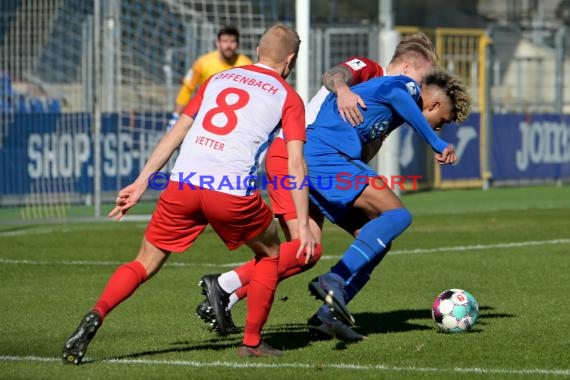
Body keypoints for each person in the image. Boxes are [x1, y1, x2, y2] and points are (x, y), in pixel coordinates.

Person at [61, 23, 316, 363]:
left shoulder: (217, 79)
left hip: (182, 183)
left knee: (143, 263)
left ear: (256, 50)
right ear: (291, 59)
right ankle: (253, 342)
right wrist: (301, 224)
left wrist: (141, 182)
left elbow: (176, 133)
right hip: (229, 191)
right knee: (270, 254)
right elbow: (295, 163)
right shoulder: (288, 96)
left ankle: (97, 313)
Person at [196, 35, 468, 339]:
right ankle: (228, 287)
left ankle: (316, 310)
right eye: (422, 77)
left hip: (319, 159)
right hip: (292, 152)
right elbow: (333, 74)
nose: (424, 87)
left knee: (341, 245)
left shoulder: (386, 109)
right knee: (318, 243)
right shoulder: (375, 73)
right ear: (407, 66)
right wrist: (342, 90)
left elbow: (361, 149)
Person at [305, 68, 471, 332]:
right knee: (399, 215)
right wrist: (436, 142)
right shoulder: (407, 88)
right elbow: (397, 94)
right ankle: (333, 278)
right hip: (327, 156)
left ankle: (327, 314)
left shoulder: (387, 112)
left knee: (377, 241)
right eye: (443, 120)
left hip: (322, 161)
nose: (440, 126)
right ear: (435, 105)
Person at [167, 26, 253, 129]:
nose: (228, 45)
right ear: (217, 43)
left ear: (238, 44)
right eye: (225, 41)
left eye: (232, 41)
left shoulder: (247, 65)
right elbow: (187, 89)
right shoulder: (202, 63)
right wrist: (175, 117)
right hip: (204, 116)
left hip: (235, 118)